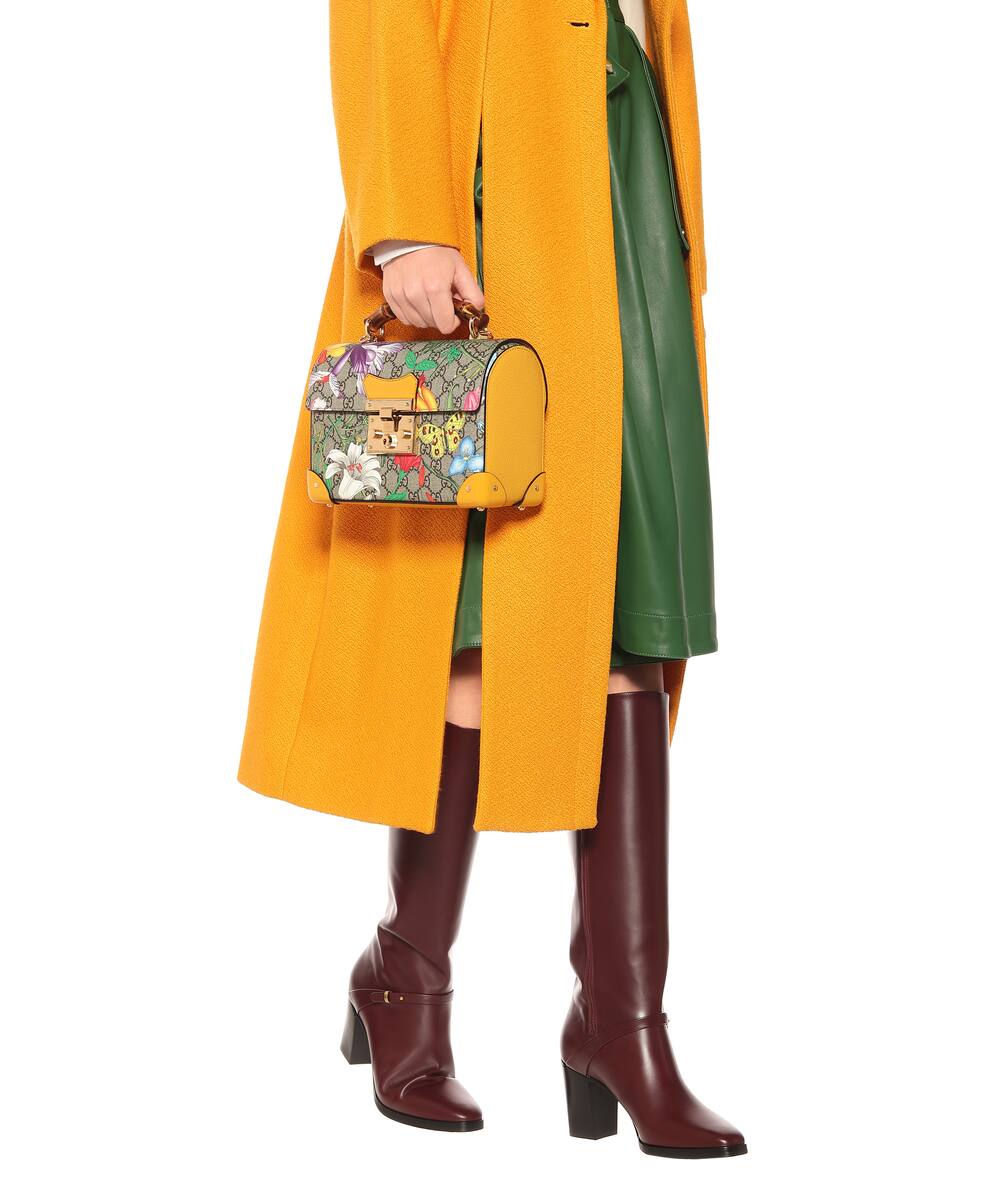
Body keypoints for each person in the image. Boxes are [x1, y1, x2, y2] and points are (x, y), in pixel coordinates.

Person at [239, 0, 746, 1158]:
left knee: (631, 602)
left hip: (629, 163)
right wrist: (407, 227)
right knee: (475, 612)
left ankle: (621, 1022)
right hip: (495, 177)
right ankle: (406, 978)